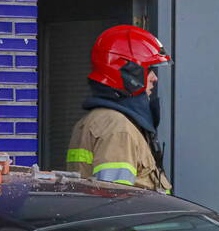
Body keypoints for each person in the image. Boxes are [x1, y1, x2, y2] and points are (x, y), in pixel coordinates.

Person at [66, 25, 172, 192]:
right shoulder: (118, 129)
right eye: (149, 70)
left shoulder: (98, 120)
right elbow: (116, 200)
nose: (155, 78)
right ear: (130, 73)